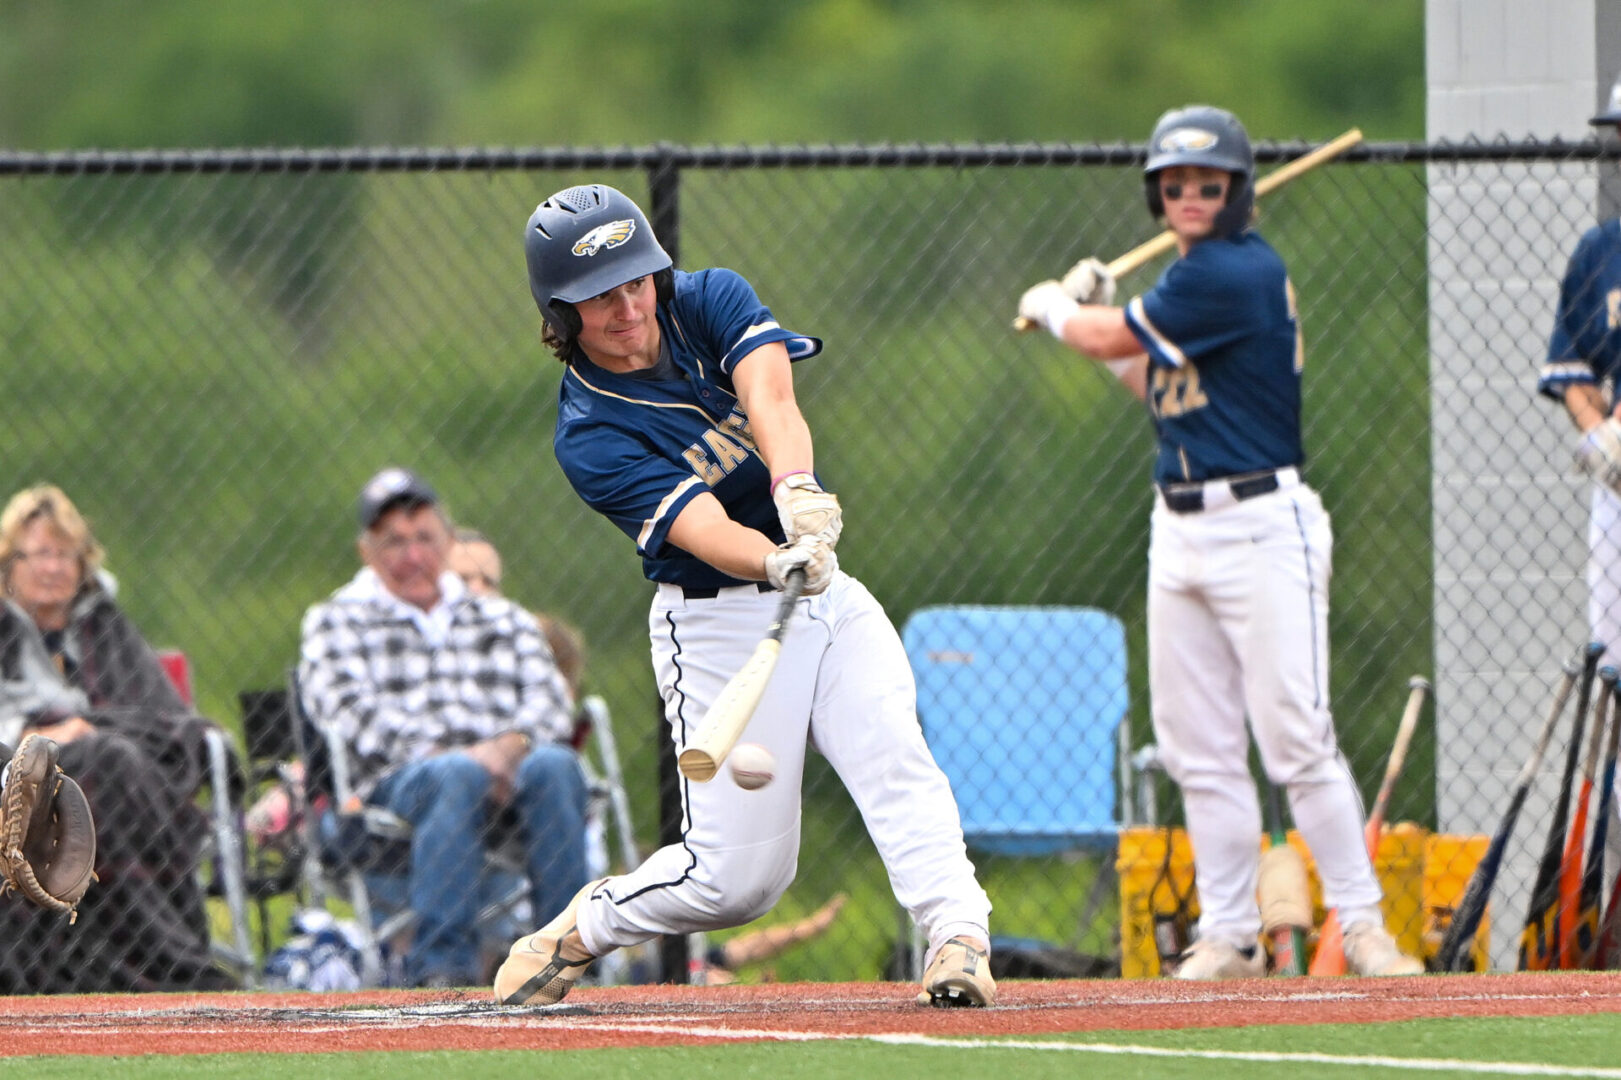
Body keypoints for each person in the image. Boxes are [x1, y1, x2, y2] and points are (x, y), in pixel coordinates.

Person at [493, 183, 995, 1009]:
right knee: (738, 884)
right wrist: (771, 562)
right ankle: (587, 923)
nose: (627, 308)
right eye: (597, 297)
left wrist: (796, 491)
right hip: (719, 624)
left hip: (823, 588)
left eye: (634, 282)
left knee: (893, 754)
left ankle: (958, 938)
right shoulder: (588, 433)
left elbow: (771, 398)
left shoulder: (707, 297)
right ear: (559, 312)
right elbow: (701, 528)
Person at [1016, 105, 1423, 979]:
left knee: (1294, 738)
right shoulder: (1188, 286)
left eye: (1209, 184)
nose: (1191, 196)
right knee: (1197, 748)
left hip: (1260, 527)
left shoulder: (1232, 272)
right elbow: (1150, 382)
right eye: (1176, 185)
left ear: (1238, 194)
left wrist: (1059, 308)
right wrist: (1097, 320)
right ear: (1156, 196)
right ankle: (1231, 932)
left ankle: (1361, 927)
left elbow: (1100, 338)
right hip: (1182, 527)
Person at [298, 467, 588, 987]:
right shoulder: (334, 620)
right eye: (394, 543)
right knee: (455, 774)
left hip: (512, 768)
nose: (412, 556)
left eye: (424, 538)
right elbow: (343, 710)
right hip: (397, 784)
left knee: (558, 764)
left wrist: (510, 746)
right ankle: (442, 970)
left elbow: (550, 700)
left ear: (449, 541)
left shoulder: (502, 618)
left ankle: (567, 960)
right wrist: (448, 755)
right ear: (366, 550)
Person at [0, 483, 232, 992]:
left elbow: (165, 720)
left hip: (117, 783)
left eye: (67, 555)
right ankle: (162, 957)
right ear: (8, 564)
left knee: (112, 759)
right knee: (106, 760)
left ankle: (130, 960)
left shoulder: (104, 627)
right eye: (41, 553)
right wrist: (31, 735)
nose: (54, 567)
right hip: (20, 783)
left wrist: (93, 730)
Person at [1538, 73, 1621, 891]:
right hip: (1619, 498)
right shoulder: (1601, 250)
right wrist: (1603, 434)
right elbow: (1573, 372)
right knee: (1619, 679)